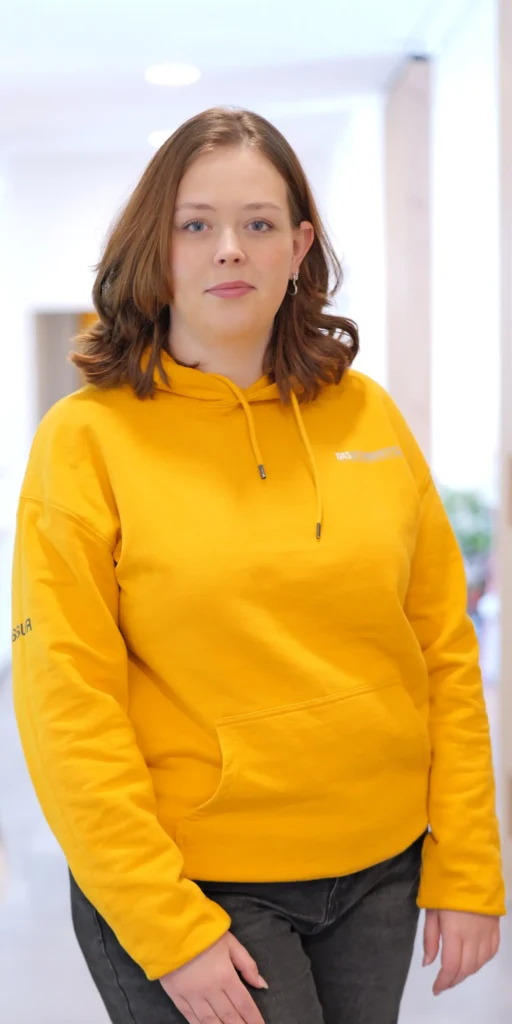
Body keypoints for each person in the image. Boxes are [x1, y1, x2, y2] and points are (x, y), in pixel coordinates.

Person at [11, 107, 505, 1024]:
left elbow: (443, 647)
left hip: (378, 873)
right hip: (198, 883)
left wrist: (469, 859)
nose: (229, 248)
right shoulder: (85, 441)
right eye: (196, 224)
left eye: (259, 223)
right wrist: (165, 924)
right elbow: (66, 703)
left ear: (299, 247)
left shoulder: (369, 417)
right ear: (156, 248)